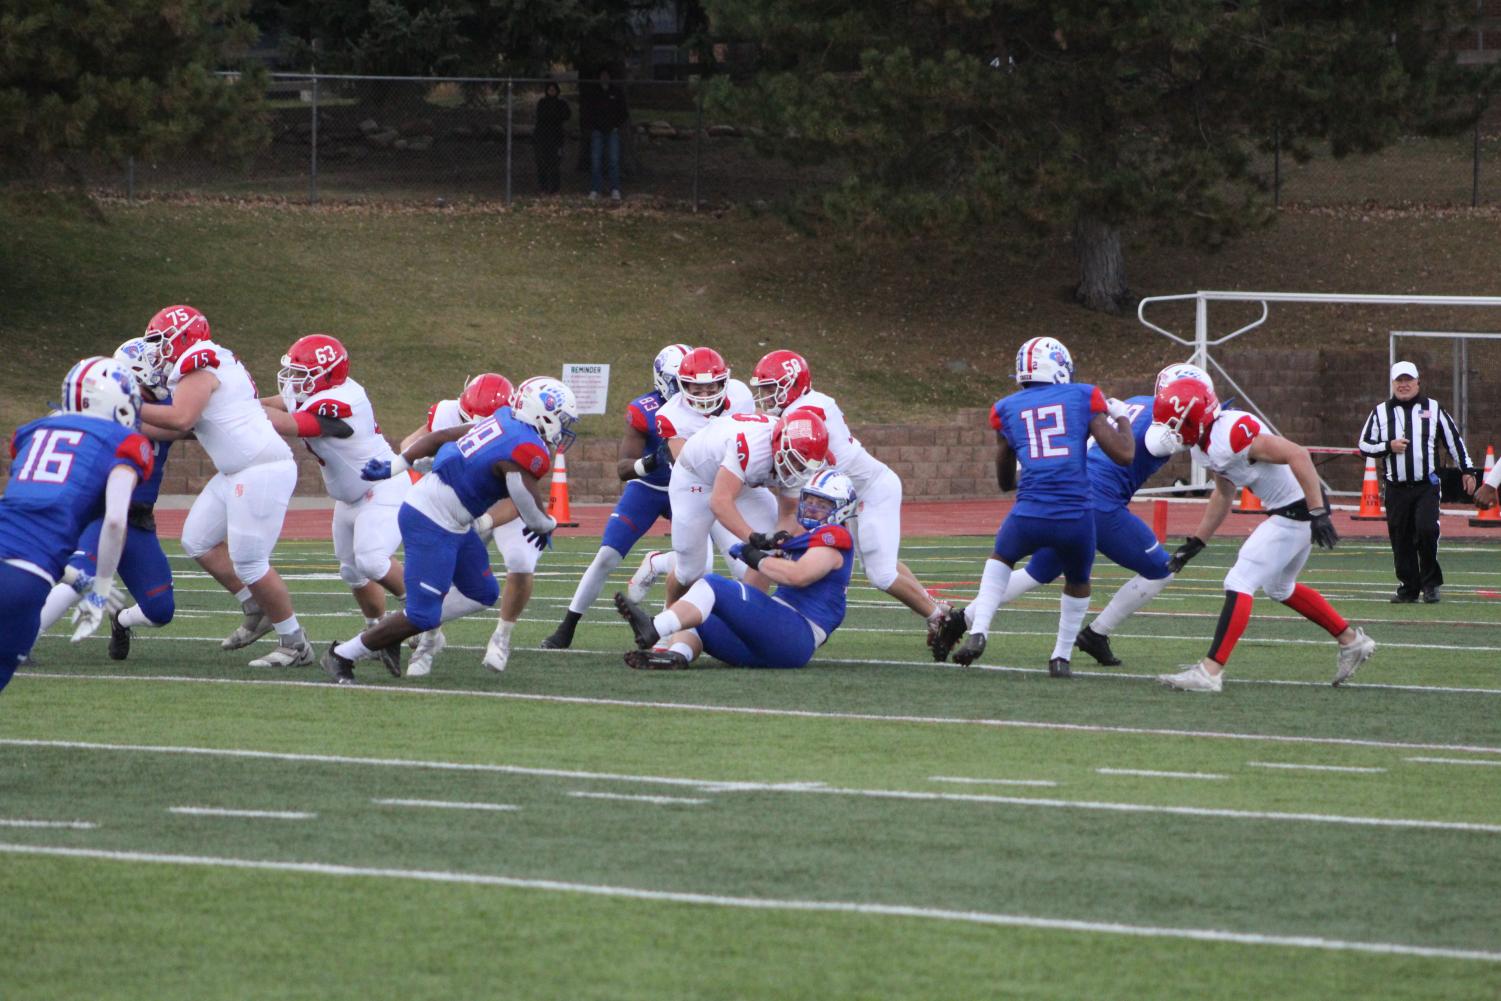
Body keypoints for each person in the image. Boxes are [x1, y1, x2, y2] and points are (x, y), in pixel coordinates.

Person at [930, 362, 1214, 667]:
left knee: (1038, 572)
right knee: (1162, 569)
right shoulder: (1164, 427)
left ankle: (961, 620)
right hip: (1099, 505)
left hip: (1069, 494)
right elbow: (1164, 442)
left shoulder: (1136, 403)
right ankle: (1096, 634)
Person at [320, 377, 577, 684]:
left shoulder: (504, 419)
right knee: (421, 616)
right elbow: (529, 509)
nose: (563, 426)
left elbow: (439, 436)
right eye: (561, 418)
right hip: (430, 520)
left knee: (482, 592)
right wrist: (547, 525)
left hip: (452, 519)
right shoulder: (523, 447)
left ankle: (391, 631)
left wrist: (394, 467)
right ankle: (342, 654)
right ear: (541, 413)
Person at [1148, 378, 1377, 692]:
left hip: (1298, 510)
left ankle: (1210, 671)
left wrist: (1318, 512)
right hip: (1293, 510)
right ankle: (1351, 641)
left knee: (1239, 581)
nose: (1171, 430)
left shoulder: (1231, 432)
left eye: (1177, 422)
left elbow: (1298, 454)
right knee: (1279, 587)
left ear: (1197, 415)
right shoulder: (1205, 445)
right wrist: (1197, 541)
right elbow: (1223, 493)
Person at [137, 305, 318, 668]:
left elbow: (180, 417)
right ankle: (257, 608)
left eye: (159, 340)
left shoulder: (199, 362)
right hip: (238, 469)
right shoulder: (205, 362)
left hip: (260, 468)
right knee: (198, 540)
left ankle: (295, 642)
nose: (156, 350)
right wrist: (118, 421)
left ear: (183, 336)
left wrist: (126, 404)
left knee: (250, 562)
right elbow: (177, 428)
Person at [946, 337, 1136, 676]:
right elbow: (1124, 455)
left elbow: (1005, 481)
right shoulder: (1083, 396)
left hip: (1028, 513)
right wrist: (1121, 419)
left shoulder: (1005, 408)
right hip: (1075, 516)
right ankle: (1060, 657)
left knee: (1001, 557)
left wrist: (1036, 473)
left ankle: (979, 630)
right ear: (1060, 367)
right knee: (1078, 580)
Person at [749, 349, 956, 646]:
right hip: (854, 494)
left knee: (881, 574)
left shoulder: (806, 413)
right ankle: (938, 608)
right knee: (880, 564)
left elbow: (800, 465)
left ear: (793, 383)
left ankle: (938, 618)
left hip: (871, 491)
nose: (766, 396)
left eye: (771, 388)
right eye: (764, 389)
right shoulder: (809, 404)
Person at [1, 357, 154, 691]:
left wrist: (75, 578)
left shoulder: (32, 432)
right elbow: (115, 521)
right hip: (21, 581)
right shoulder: (124, 443)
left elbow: (22, 521)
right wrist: (99, 587)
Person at [30, 338, 183, 661]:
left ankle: (121, 620)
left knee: (160, 609)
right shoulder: (102, 407)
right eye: (156, 364)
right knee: (81, 577)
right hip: (99, 508)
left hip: (139, 517)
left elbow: (185, 423)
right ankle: (19, 640)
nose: (164, 370)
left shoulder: (171, 407)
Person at [613, 470, 858, 669]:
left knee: (712, 585)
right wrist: (761, 554)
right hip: (776, 641)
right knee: (698, 611)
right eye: (810, 501)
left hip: (797, 633)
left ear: (843, 509)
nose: (813, 509)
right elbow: (758, 583)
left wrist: (756, 557)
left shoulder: (834, 537)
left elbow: (798, 575)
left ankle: (654, 627)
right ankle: (676, 655)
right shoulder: (806, 536)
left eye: (823, 505)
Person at [541, 344, 690, 649]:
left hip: (688, 491)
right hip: (648, 489)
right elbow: (623, 469)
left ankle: (658, 572)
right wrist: (650, 462)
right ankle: (567, 626)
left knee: (705, 559)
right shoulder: (644, 410)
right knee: (607, 556)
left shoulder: (707, 406)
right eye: (680, 381)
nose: (687, 389)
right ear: (662, 379)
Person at [405, 373, 554, 675]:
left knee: (521, 561)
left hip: (501, 502)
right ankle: (429, 636)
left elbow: (521, 498)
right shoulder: (447, 411)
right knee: (442, 572)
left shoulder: (527, 433)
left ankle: (502, 636)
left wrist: (485, 521)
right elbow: (411, 443)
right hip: (460, 500)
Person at [261, 334, 409, 633]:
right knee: (352, 571)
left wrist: (235, 411)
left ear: (328, 375)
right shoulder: (312, 390)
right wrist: (239, 403)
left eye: (303, 375)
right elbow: (276, 403)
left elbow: (292, 424)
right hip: (350, 496)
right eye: (294, 373)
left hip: (382, 486)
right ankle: (376, 629)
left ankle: (425, 611)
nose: (294, 381)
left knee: (372, 561)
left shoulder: (344, 402)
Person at [624, 346, 757, 602]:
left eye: (711, 388)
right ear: (683, 386)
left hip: (731, 485)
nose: (705, 395)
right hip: (694, 489)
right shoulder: (671, 415)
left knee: (747, 568)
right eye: (696, 390)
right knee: (692, 573)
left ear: (724, 383)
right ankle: (666, 621)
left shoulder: (740, 394)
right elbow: (690, 462)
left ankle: (746, 629)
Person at [1358, 361, 1476, 603]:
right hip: (1396, 487)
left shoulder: (1433, 409)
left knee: (1426, 529)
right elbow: (1364, 445)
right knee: (1400, 538)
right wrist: (1387, 446)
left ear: (1418, 382)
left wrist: (1467, 470)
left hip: (1426, 485)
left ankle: (1430, 584)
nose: (1404, 385)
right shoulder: (1380, 412)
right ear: (1392, 383)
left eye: (1408, 380)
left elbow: (1454, 440)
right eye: (1399, 380)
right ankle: (1409, 587)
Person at [582, 68, 628, 201]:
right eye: (602, 75)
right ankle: (596, 189)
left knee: (613, 160)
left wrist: (615, 125)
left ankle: (615, 189)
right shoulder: (594, 93)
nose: (604, 77)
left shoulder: (616, 92)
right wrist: (593, 125)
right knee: (596, 161)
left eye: (606, 75)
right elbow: (588, 111)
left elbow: (623, 112)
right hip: (597, 131)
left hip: (612, 131)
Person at [533, 81, 570, 195]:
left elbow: (566, 115)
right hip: (542, 137)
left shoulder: (561, 103)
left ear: (557, 91)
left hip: (556, 138)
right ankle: (543, 187)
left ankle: (555, 189)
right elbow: (542, 117)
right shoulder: (542, 102)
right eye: (550, 89)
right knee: (542, 162)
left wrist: (555, 116)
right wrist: (554, 116)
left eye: (554, 90)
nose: (552, 91)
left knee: (555, 163)